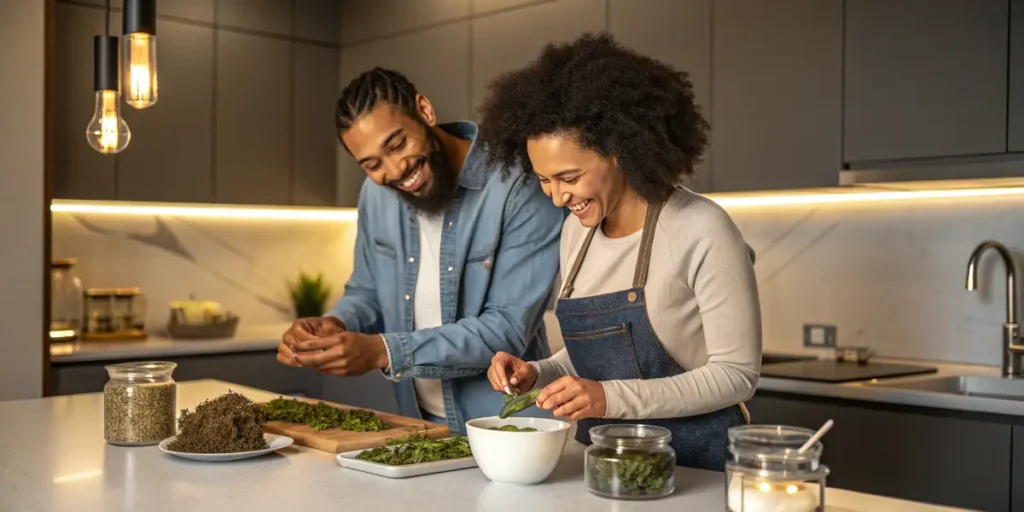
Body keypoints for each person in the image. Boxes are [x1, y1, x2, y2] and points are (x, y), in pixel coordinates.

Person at [478, 33, 762, 471]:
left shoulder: (701, 227)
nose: (557, 197)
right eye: (544, 180)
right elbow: (598, 352)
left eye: (569, 177)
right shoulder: (577, 231)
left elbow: (736, 375)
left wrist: (608, 398)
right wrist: (540, 373)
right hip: (609, 466)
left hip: (697, 469)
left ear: (618, 151)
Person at [277, 67, 564, 433]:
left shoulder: (518, 184)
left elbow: (504, 330)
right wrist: (335, 325)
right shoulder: (375, 196)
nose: (394, 171)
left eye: (397, 144)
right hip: (419, 426)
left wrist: (383, 351)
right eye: (372, 165)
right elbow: (366, 291)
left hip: (506, 429)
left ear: (425, 110)